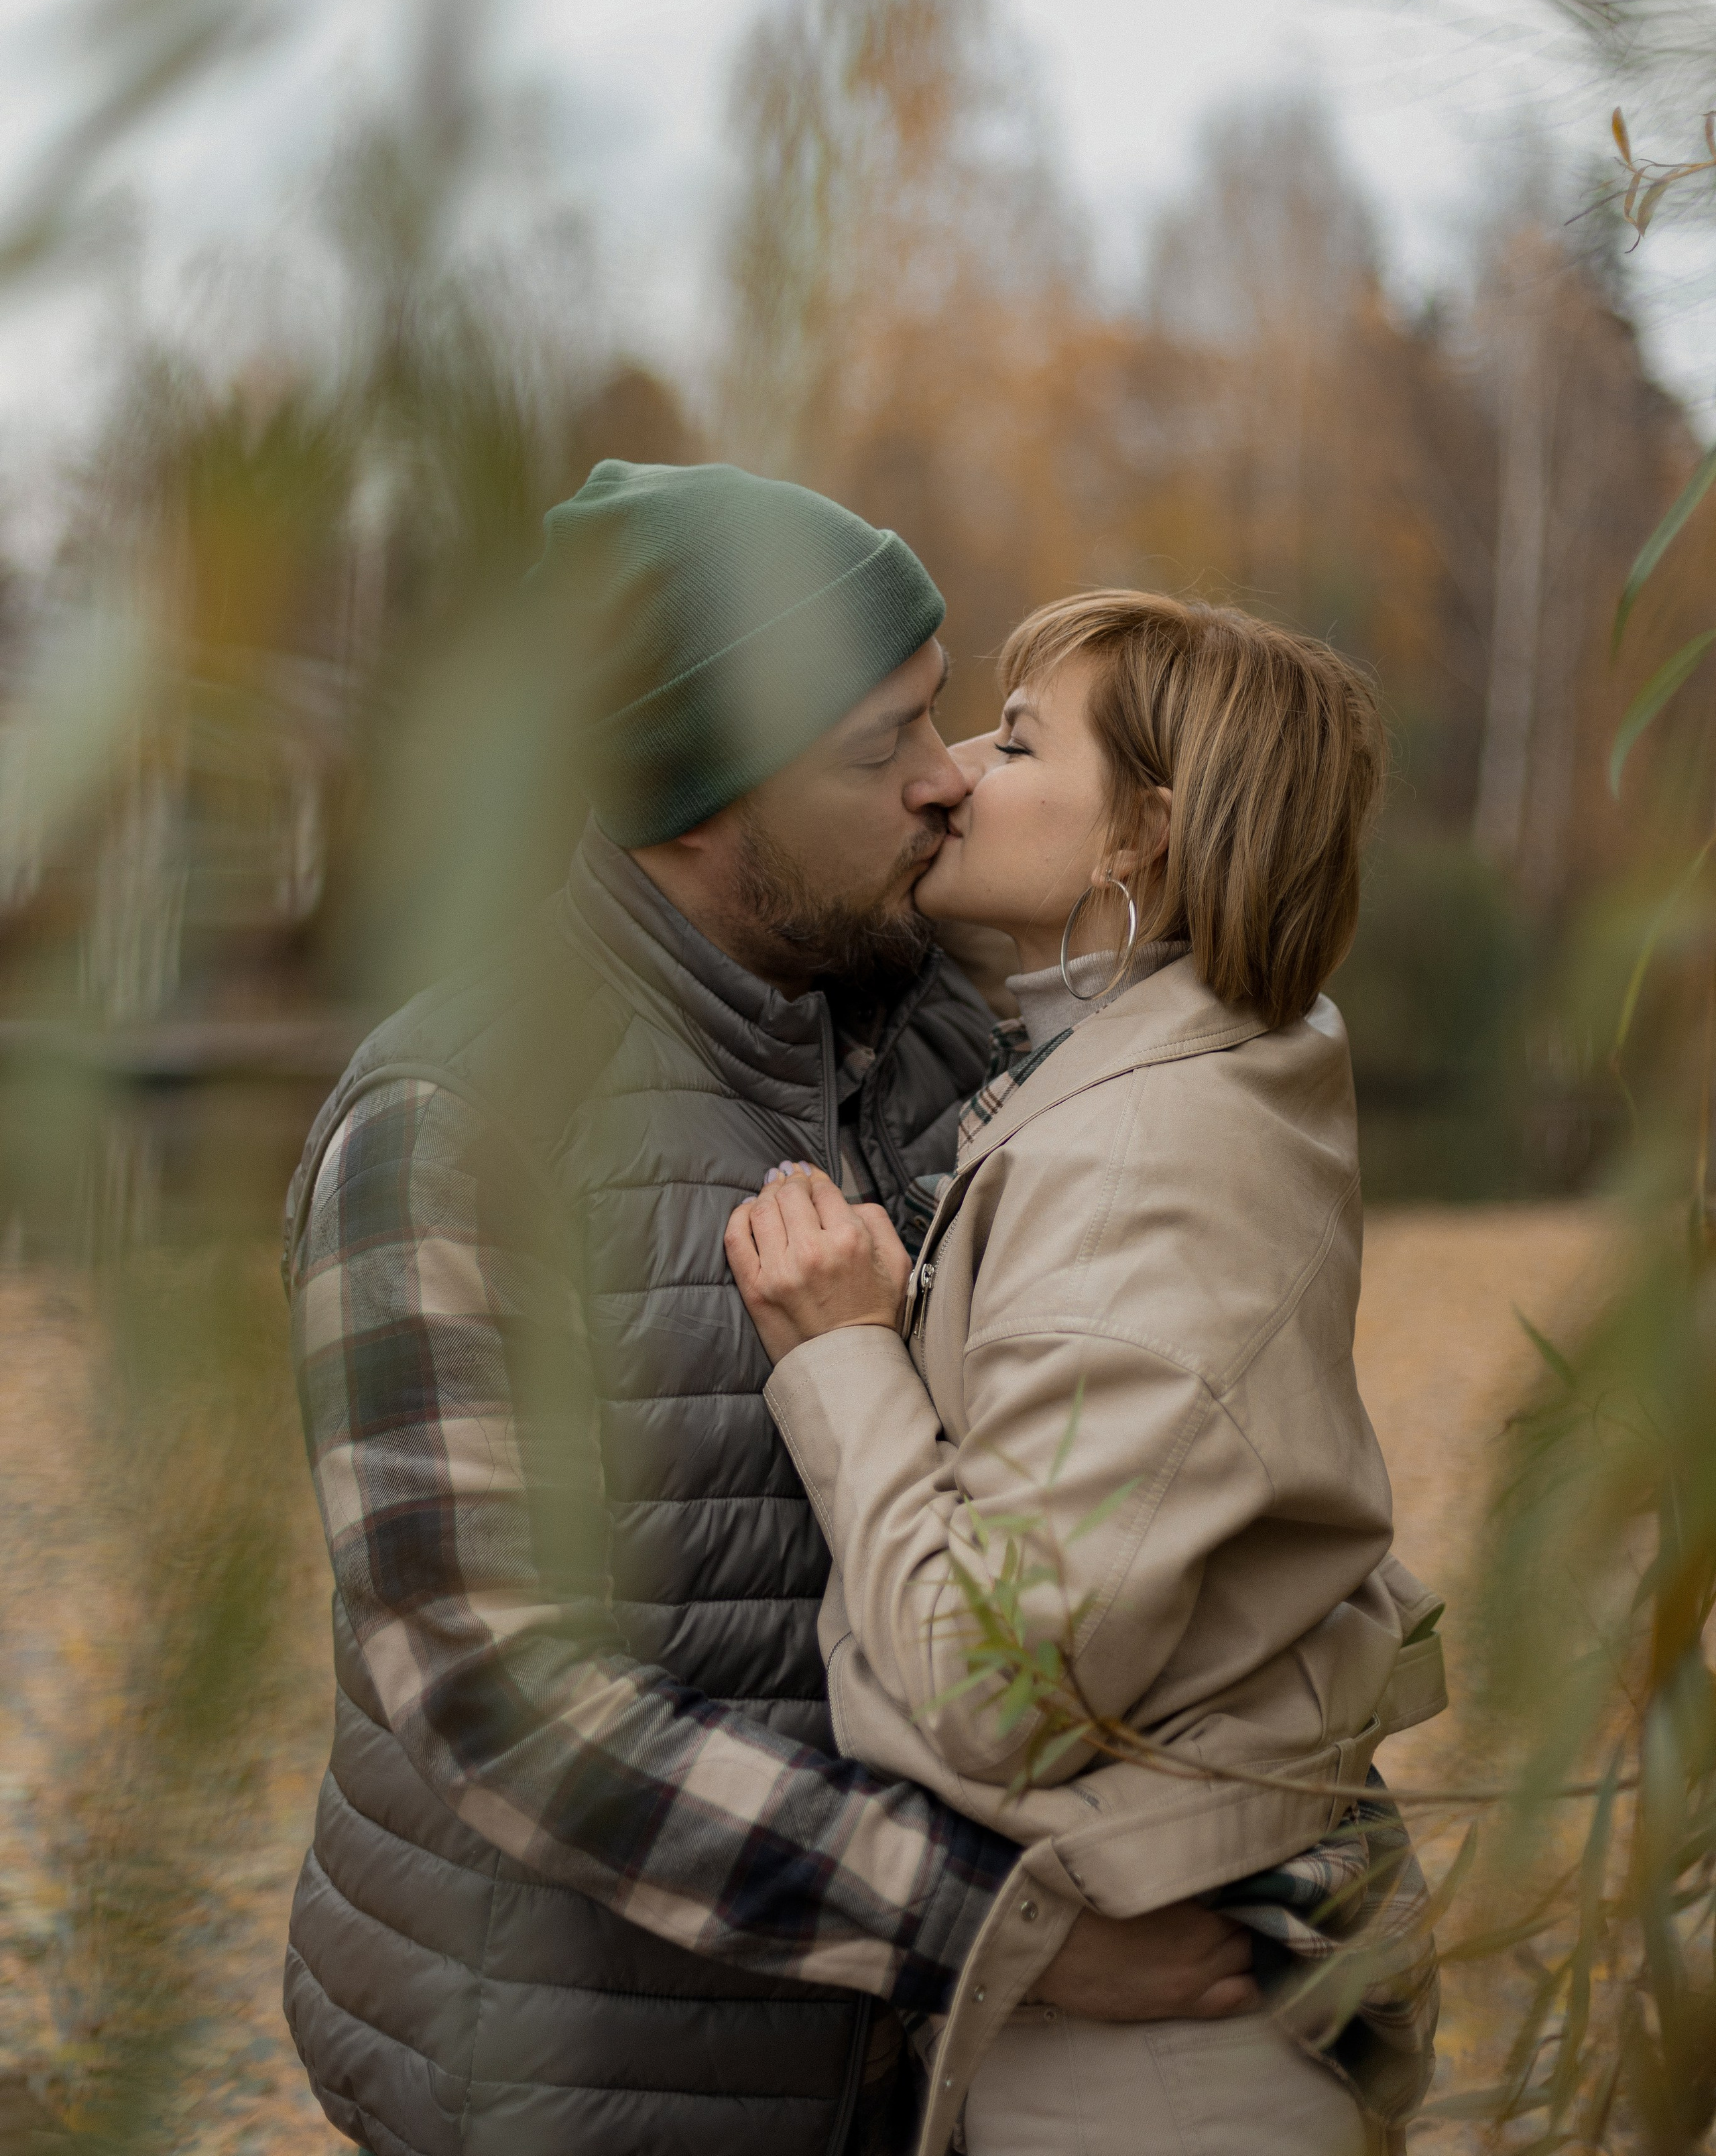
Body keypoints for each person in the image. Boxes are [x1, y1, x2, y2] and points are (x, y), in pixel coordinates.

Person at [281, 473, 1261, 2156]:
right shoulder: (456, 1123)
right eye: (880, 746)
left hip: (911, 2082)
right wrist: (1013, 1930)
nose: (946, 780)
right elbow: (499, 1704)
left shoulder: (953, 1045)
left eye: (945, 716)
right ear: (700, 800)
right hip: (570, 2092)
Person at [725, 590, 1447, 2156]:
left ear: (1142, 841)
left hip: (1157, 2078)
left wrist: (847, 1360)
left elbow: (999, 1687)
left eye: (1015, 738)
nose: (953, 773)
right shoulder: (1150, 1069)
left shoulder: (1147, 1163)